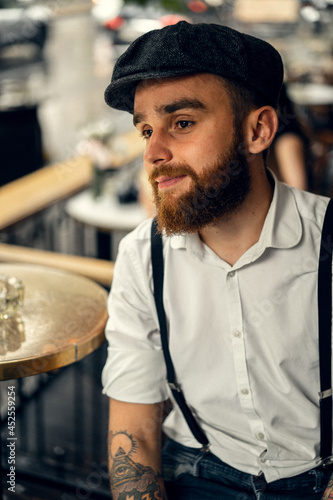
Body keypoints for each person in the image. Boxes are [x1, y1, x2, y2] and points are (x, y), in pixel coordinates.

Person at [101, 21, 333, 499]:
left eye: (181, 122)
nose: (153, 152)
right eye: (146, 129)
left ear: (258, 130)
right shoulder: (143, 255)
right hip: (197, 473)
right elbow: (136, 438)